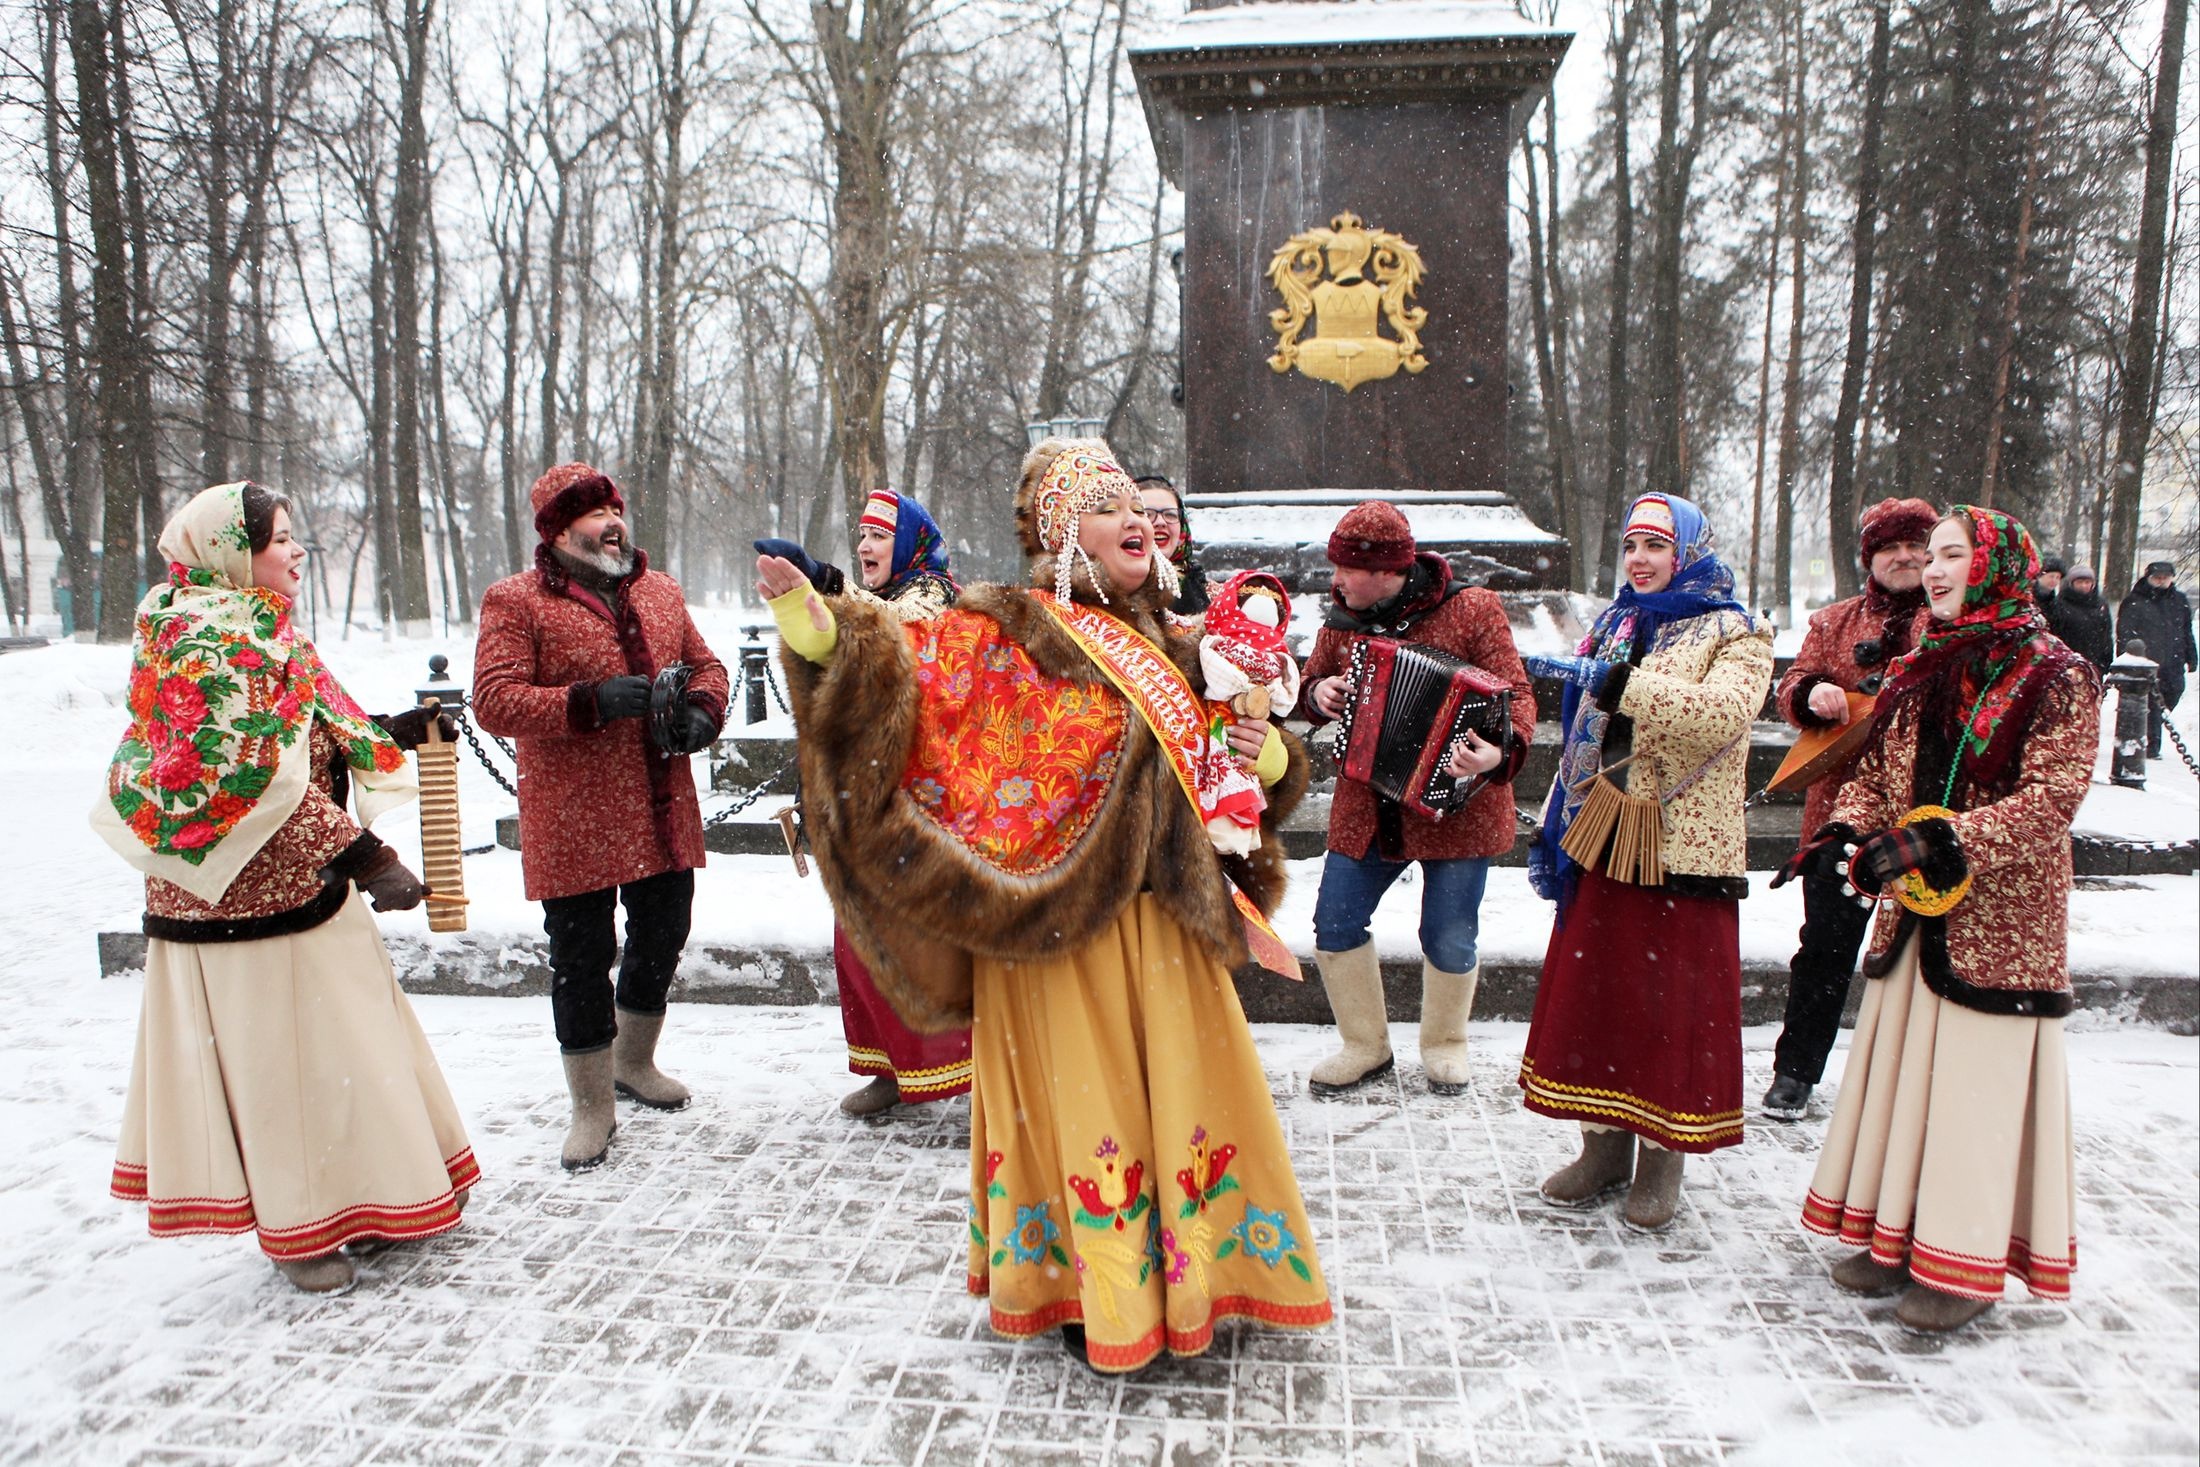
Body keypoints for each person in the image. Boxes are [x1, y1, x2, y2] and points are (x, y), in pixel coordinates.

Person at [759, 437, 1330, 1374]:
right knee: (1086, 1113)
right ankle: (1090, 1287)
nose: (1136, 519)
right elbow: (898, 672)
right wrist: (813, 620)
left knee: (1180, 1105)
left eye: (1139, 507)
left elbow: (1250, 774)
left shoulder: (1186, 646)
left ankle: (1189, 1276)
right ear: (1065, 531)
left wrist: (1264, 746)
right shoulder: (1005, 630)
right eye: (1108, 507)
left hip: (1160, 934)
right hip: (1053, 933)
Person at [93, 482, 477, 1295]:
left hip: (303, 888)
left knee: (345, 1049)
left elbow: (298, 733)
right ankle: (299, 1229)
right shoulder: (205, 639)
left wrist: (387, 736)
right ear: (234, 553)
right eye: (278, 539)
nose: (296, 551)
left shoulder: (259, 625)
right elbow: (240, 777)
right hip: (238, 903)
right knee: (282, 1072)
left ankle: (370, 1198)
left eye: (295, 535)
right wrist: (367, 855)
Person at [1784, 506, 2097, 1334]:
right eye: (1934, 557)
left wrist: (1942, 839)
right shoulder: (1925, 659)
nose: (1935, 569)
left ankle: (1960, 1263)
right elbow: (1878, 769)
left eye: (1952, 554)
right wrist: (1850, 829)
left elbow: (2052, 799)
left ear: (1997, 566)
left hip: (1999, 923)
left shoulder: (2056, 671)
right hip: (1917, 920)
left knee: (1968, 1091)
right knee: (1906, 1077)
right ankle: (1895, 1236)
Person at [1518, 492, 1772, 1232]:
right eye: (1632, 545)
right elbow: (1587, 722)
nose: (1640, 560)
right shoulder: (1616, 619)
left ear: (1689, 552)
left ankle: (1663, 1158)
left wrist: (1618, 682)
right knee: (1602, 996)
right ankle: (1602, 1149)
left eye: (1656, 546)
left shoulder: (1737, 630)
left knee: (1669, 1008)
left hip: (1681, 848)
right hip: (1605, 828)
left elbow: (1720, 716)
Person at [473, 463, 728, 1171]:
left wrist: (705, 711)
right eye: (594, 514)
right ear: (557, 530)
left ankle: (633, 1061)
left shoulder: (661, 589)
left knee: (664, 930)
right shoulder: (515, 601)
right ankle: (591, 1105)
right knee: (580, 958)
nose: (613, 521)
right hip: (574, 814)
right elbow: (493, 700)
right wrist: (587, 701)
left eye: (616, 508)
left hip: (660, 805)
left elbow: (708, 666)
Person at [1294, 501, 1536, 1097]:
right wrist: (1316, 691)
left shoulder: (1473, 608)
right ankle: (1365, 1046)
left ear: (1387, 571)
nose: (1337, 580)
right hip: (1368, 804)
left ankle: (1445, 1045)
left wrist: (1498, 752)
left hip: (1460, 803)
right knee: (1335, 921)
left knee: (1448, 934)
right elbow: (1308, 684)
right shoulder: (1342, 619)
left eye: (1347, 569)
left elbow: (1519, 694)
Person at [758, 488, 973, 1117]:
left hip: (914, 802)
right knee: (857, 938)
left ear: (907, 543)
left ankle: (957, 1069)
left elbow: (889, 641)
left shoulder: (932, 595)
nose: (865, 545)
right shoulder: (873, 600)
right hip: (861, 793)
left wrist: (827, 587)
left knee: (912, 941)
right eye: (861, 535)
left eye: (880, 535)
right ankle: (888, 1068)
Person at [1760, 497, 1935, 1122]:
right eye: (1891, 547)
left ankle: (1913, 1081)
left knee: (1923, 952)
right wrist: (1813, 692)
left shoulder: (1952, 618)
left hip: (1926, 816)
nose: (1906, 557)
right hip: (1839, 811)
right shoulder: (1835, 620)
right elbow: (1792, 684)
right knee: (1826, 948)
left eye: (1917, 545)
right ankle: (1796, 1071)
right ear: (1870, 557)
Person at [2117, 560, 2197, 758]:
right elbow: (2125, 632)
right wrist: (2126, 659)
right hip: (2146, 662)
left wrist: (2191, 655)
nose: (2161, 582)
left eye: (2165, 578)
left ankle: (2151, 728)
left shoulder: (2179, 600)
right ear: (2149, 578)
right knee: (2152, 702)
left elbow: (2186, 630)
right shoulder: (2135, 601)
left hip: (2173, 659)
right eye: (2157, 578)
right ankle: (2152, 745)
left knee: (2172, 693)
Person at [1135, 474, 1210, 616]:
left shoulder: (1204, 589)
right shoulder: (1105, 591)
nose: (1161, 522)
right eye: (1147, 514)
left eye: (1170, 515)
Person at [2043, 565, 2114, 672]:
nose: (2084, 586)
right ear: (2071, 583)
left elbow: (2106, 635)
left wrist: (2106, 661)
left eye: (2087, 582)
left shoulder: (2101, 605)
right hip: (2067, 664)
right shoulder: (2060, 604)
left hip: (2094, 663)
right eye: (2079, 582)